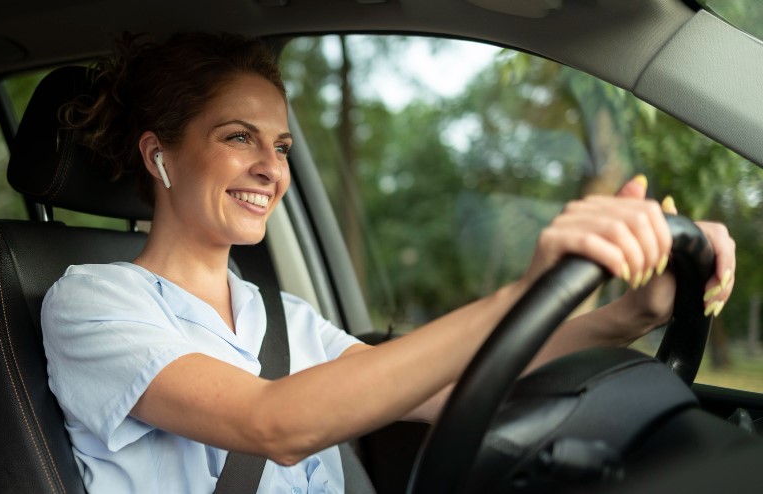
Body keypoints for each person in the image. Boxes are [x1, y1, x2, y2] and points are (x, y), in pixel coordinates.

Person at [40, 32, 737, 493]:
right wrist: (521, 289)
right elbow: (272, 424)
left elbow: (449, 382)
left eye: (281, 147)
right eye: (237, 138)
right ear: (159, 155)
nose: (269, 169)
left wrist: (628, 317)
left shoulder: (281, 316)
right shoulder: (92, 303)